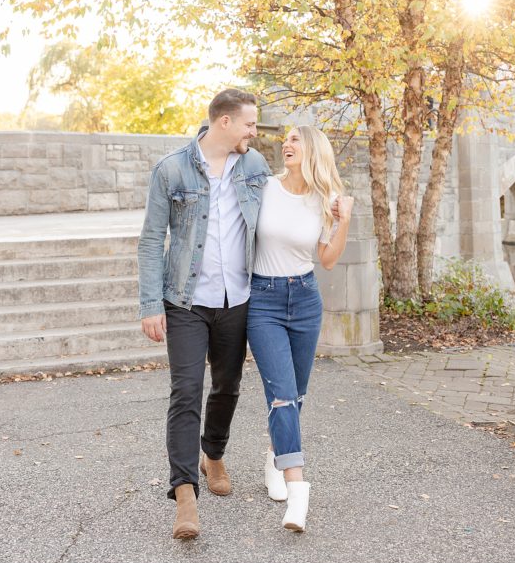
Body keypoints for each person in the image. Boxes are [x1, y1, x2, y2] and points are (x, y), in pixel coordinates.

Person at [137, 88, 271, 539]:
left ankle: (212, 453)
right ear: (225, 123)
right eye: (250, 123)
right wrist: (150, 304)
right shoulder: (172, 169)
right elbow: (152, 240)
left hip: (238, 298)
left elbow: (276, 215)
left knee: (227, 385)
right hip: (186, 301)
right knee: (186, 390)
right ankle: (185, 496)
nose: (255, 131)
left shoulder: (253, 166)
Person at [247, 124, 354, 532]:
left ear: (312, 150)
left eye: (295, 140)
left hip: (305, 300)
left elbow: (327, 259)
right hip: (263, 301)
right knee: (283, 397)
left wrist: (344, 220)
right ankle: (298, 488)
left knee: (298, 394)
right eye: (285, 139)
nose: (286, 145)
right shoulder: (265, 187)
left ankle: (277, 456)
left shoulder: (325, 200)